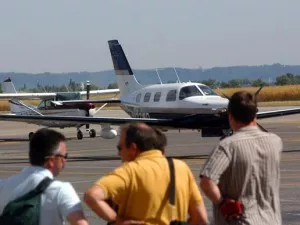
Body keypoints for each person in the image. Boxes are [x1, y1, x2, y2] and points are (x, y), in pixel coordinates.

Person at [84, 122, 208, 225]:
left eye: (120, 148)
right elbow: (201, 218)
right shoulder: (181, 168)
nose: (119, 154)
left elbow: (92, 196)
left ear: (133, 148)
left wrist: (118, 221)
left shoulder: (129, 171)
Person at [199, 91, 282, 224]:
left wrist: (222, 203)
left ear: (230, 116)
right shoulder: (276, 142)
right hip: (271, 220)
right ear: (255, 115)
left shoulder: (227, 146)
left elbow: (206, 182)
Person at [0, 128, 89, 225]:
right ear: (51, 161)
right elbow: (80, 222)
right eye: (64, 156)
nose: (65, 161)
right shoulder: (60, 190)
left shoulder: (3, 186)